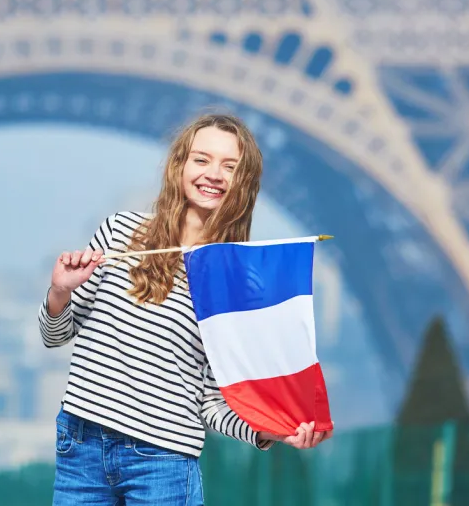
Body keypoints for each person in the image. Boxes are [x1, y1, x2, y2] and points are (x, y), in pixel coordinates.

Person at [39, 113, 335, 505]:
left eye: (230, 166)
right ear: (179, 165)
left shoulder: (237, 282)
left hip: (162, 459)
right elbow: (54, 335)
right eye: (202, 159)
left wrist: (269, 431)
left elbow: (212, 400)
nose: (213, 174)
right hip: (81, 445)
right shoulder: (119, 231)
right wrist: (59, 292)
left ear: (242, 184)